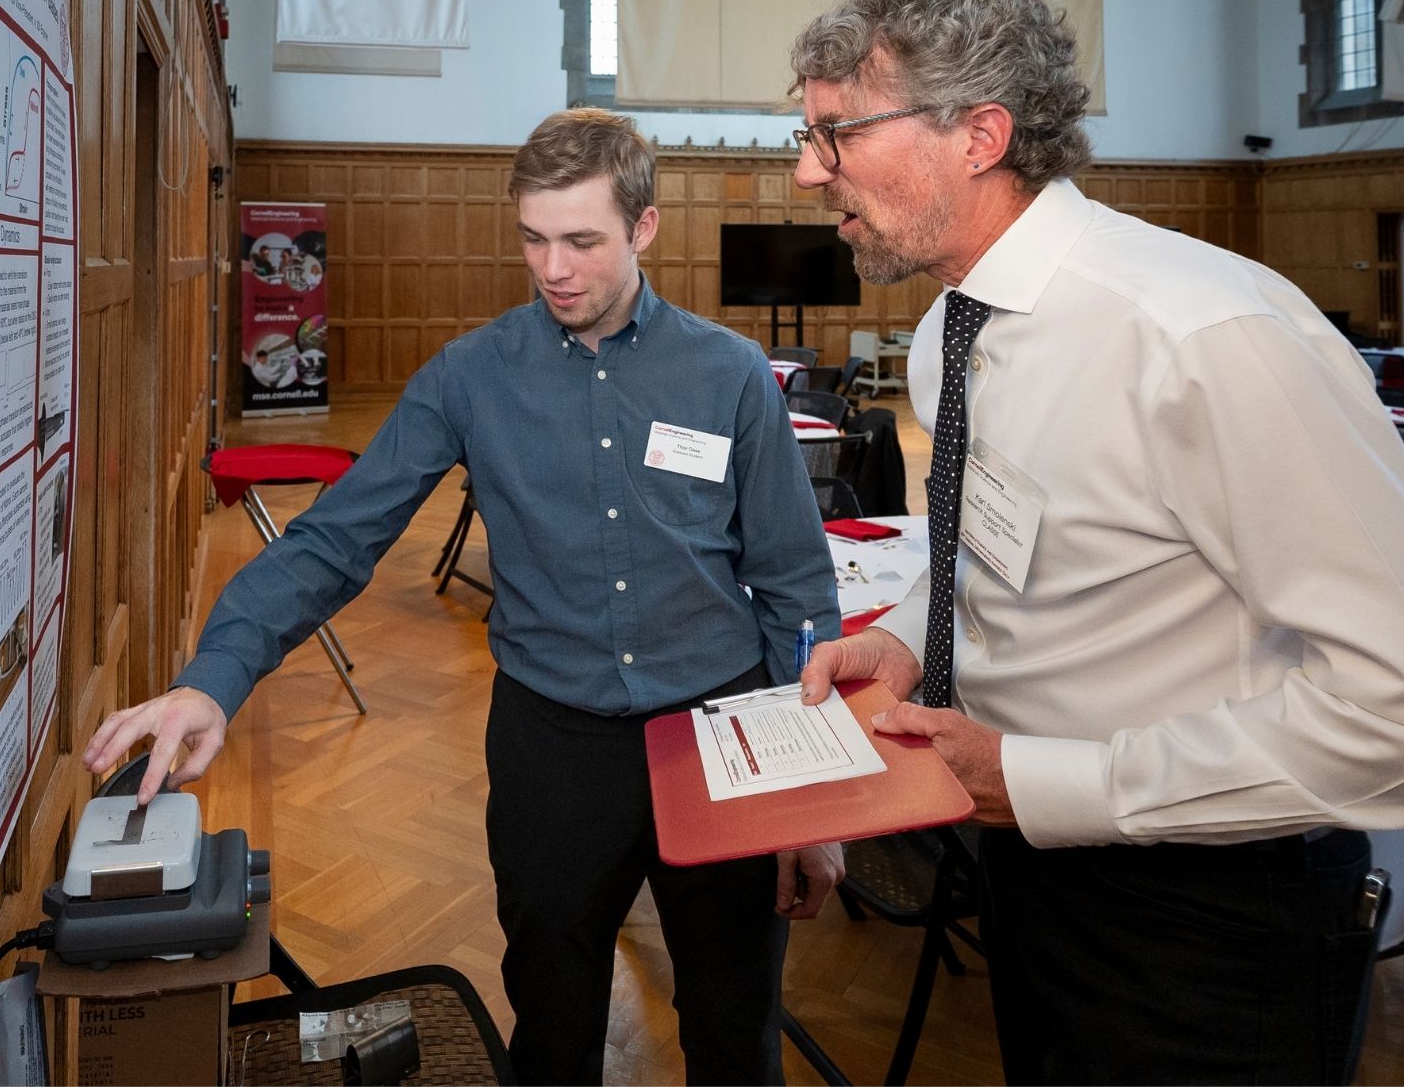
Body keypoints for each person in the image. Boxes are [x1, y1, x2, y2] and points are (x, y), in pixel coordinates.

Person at [789, 0, 1404, 1084]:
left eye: (833, 134)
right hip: (1030, 865)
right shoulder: (950, 334)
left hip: (1213, 916)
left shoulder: (1203, 334)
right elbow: (991, 549)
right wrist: (908, 636)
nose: (801, 173)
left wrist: (1047, 783)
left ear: (976, 134)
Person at [86, 108, 844, 1084]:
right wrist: (213, 678)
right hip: (552, 748)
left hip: (717, 732)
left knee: (734, 1030)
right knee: (554, 1025)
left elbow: (794, 586)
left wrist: (813, 795)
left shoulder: (727, 374)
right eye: (532, 238)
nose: (552, 268)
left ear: (643, 228)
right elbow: (333, 540)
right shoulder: (472, 376)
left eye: (581, 240)